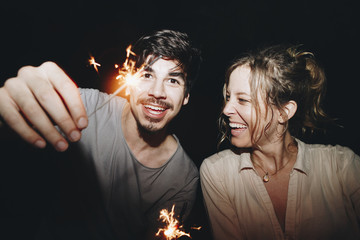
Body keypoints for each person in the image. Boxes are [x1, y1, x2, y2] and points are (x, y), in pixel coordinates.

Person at [0, 29, 201, 240]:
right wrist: (7, 113)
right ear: (130, 79)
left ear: (186, 96)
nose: (157, 92)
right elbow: (15, 131)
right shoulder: (84, 107)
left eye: (173, 81)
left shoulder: (183, 178)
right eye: (147, 75)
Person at [200, 44, 360, 239]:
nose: (226, 110)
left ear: (284, 112)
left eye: (242, 100)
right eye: (227, 97)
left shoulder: (341, 166)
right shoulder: (218, 172)